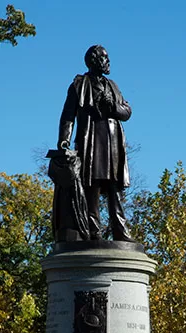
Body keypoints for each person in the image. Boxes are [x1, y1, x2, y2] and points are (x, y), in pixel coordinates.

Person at [58, 45, 134, 242]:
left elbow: (127, 112)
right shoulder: (79, 85)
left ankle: (120, 231)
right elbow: (68, 115)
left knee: (114, 188)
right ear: (93, 61)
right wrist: (64, 140)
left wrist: (113, 106)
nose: (108, 62)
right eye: (104, 58)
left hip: (112, 141)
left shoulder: (113, 86)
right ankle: (93, 232)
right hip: (91, 139)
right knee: (92, 186)